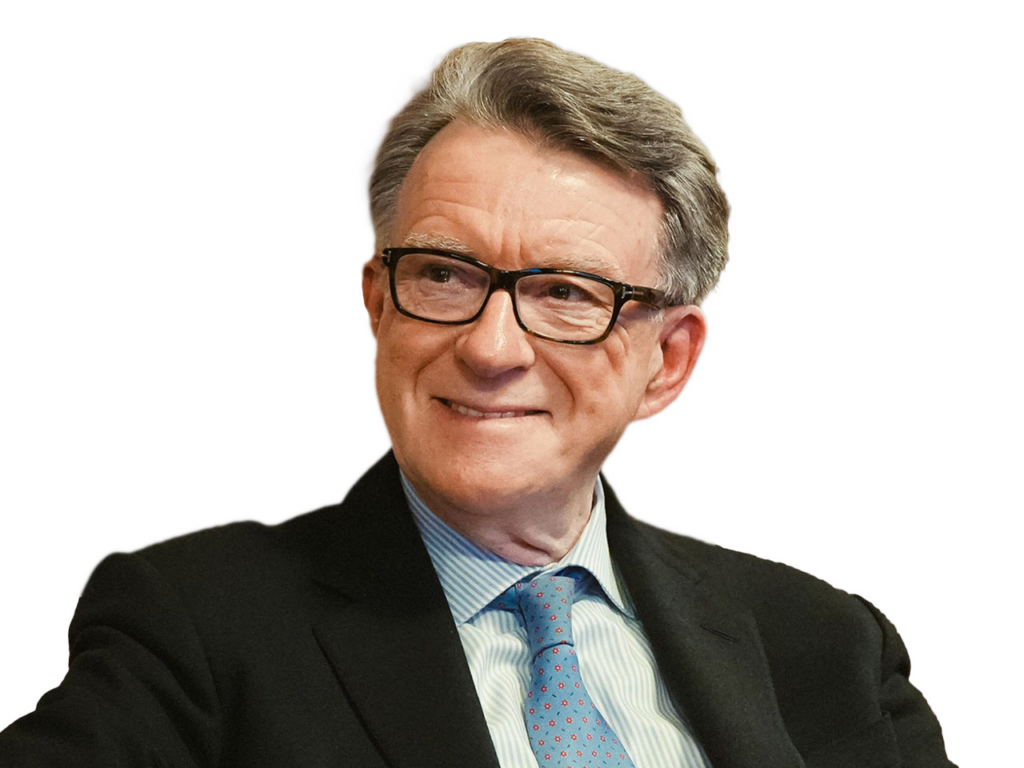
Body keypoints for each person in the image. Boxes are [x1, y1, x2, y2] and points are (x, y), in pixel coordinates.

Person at [0, 37, 958, 768]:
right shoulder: (196, 626)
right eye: (445, 275)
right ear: (379, 304)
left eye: (567, 293)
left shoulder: (823, 644)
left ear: (667, 360)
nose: (491, 348)